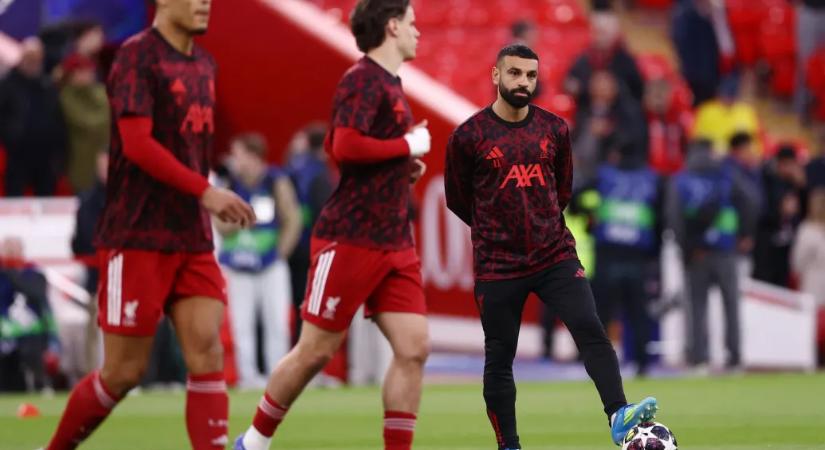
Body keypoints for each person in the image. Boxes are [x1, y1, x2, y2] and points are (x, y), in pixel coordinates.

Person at [44, 0, 256, 448]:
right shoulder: (136, 56)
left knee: (207, 353)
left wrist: (207, 193)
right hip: (137, 233)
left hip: (191, 236)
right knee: (123, 372)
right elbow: (138, 145)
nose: (205, 3)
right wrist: (205, 191)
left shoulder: (205, 64)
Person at [234, 1, 430, 449]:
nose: (417, 32)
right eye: (412, 24)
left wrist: (402, 167)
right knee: (315, 351)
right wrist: (406, 145)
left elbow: (353, 149)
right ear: (392, 26)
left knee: (414, 347)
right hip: (351, 236)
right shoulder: (361, 79)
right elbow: (344, 146)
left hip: (394, 238)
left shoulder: (390, 84)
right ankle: (253, 443)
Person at [444, 44, 657, 450]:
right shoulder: (468, 136)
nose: (523, 82)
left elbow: (562, 191)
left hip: (553, 254)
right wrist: (494, 228)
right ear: (496, 75)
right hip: (497, 264)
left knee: (590, 328)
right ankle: (509, 445)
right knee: (499, 356)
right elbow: (457, 198)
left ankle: (618, 413)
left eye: (530, 75)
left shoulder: (554, 129)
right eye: (514, 73)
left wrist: (538, 224)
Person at [217, 133, 302, 388]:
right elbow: (220, 225)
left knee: (277, 323)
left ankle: (277, 377)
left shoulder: (276, 181)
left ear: (253, 156)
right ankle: (248, 376)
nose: (234, 160)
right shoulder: (229, 183)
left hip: (270, 263)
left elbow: (292, 219)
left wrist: (280, 253)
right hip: (238, 265)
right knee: (242, 324)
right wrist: (243, 216)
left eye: (238, 154)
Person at [666, 140, 756, 372]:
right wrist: (745, 233)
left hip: (697, 253)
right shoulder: (728, 176)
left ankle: (699, 358)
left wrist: (686, 248)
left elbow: (673, 218)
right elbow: (752, 201)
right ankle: (734, 357)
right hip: (726, 249)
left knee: (696, 306)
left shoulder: (681, 180)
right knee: (731, 305)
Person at [284, 123, 334, 344]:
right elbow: (324, 212)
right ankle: (304, 351)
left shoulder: (292, 167)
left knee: (296, 303)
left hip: (292, 246)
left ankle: (296, 349)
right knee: (310, 305)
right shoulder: (320, 174)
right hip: (311, 248)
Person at [0, 37, 66, 196]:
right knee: (14, 198)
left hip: (45, 154)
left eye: (37, 59)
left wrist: (59, 150)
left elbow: (57, 118)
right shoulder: (7, 85)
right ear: (22, 58)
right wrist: (10, 137)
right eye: (30, 58)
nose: (33, 63)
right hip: (17, 154)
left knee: (46, 197)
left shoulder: (48, 85)